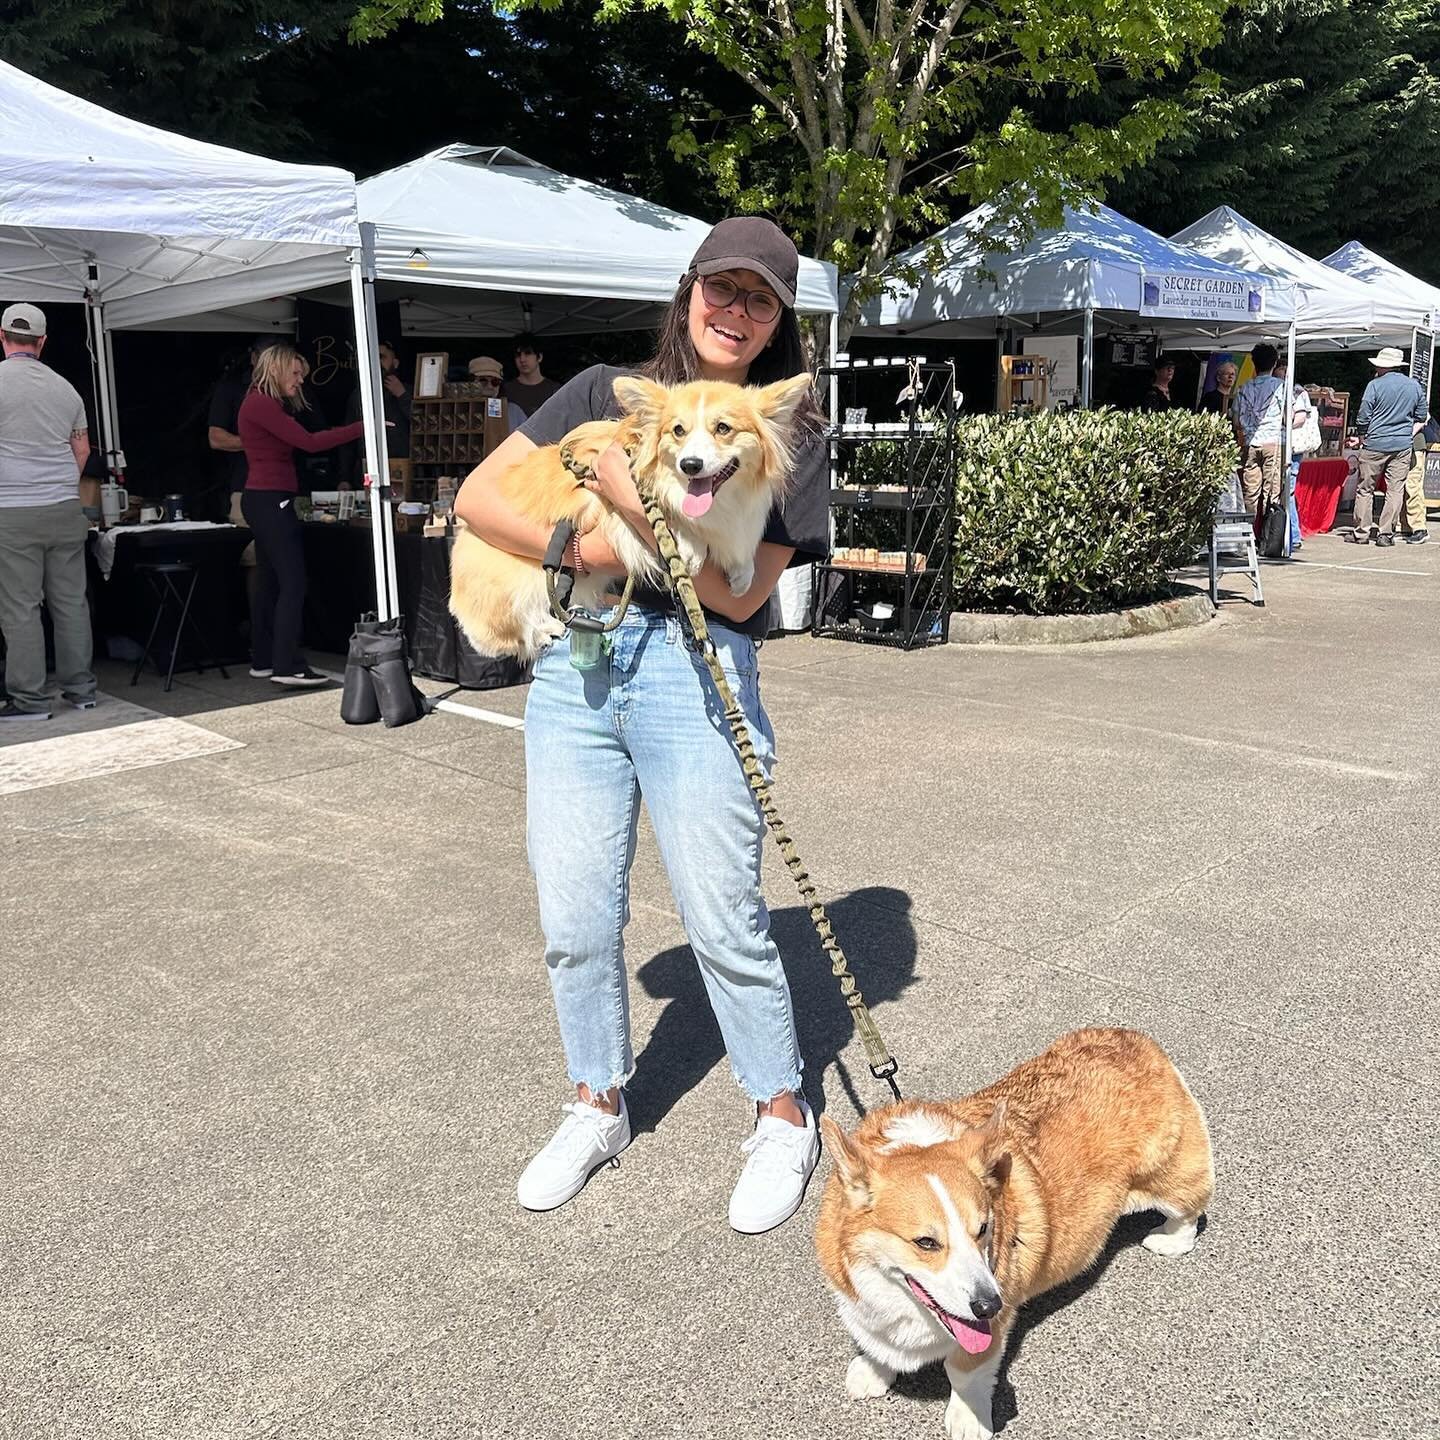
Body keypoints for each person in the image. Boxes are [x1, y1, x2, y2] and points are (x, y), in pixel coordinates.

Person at [456, 217, 829, 1234]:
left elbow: (742, 600)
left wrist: (627, 499)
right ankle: (596, 1101)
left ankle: (785, 1113)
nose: (738, 312)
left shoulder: (789, 429)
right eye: (724, 289)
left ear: (779, 322)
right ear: (690, 291)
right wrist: (582, 553)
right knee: (573, 914)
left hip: (695, 671)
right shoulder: (602, 396)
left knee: (721, 914)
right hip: (579, 663)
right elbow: (481, 499)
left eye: (762, 300)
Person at [238, 344, 366, 686]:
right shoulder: (262, 403)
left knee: (271, 583)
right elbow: (309, 442)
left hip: (264, 498)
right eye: (295, 374)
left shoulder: (260, 402)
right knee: (292, 582)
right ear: (278, 370)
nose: (299, 381)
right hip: (270, 499)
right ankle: (287, 665)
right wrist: (360, 427)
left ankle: (265, 658)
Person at [0, 303, 97, 721]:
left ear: (1, 336)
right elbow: (83, 450)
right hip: (64, 506)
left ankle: (31, 700)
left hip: (12, 508)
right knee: (71, 602)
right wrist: (60, 486)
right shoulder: (66, 389)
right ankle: (82, 690)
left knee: (21, 607)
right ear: (41, 341)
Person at [1349, 346, 1427, 546]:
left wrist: (1361, 434)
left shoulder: (1374, 385)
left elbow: (1364, 413)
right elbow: (1421, 415)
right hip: (1402, 445)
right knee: (1395, 489)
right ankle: (1386, 533)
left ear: (1382, 366)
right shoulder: (1414, 386)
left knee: (1365, 489)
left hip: (1375, 443)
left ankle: (1362, 532)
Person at [209, 336, 271, 525]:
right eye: (266, 357)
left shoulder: (295, 389)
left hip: (292, 488)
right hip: (246, 486)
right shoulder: (232, 388)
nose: (272, 365)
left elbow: (315, 432)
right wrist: (261, 442)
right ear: (253, 358)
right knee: (251, 550)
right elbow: (216, 438)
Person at [345, 339, 411, 485]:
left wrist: (403, 395)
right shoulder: (358, 395)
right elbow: (348, 439)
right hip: (367, 468)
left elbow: (424, 425)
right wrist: (344, 478)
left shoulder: (409, 391)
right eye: (373, 358)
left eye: (381, 357)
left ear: (395, 363)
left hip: (403, 469)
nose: (377, 362)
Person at [1233, 342, 1286, 518]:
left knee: (1250, 492)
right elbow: (1288, 417)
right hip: (1273, 443)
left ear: (1254, 363)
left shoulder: (1243, 388)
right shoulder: (1280, 387)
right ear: (1274, 364)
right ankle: (1268, 536)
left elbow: (1236, 420)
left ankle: (1249, 534)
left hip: (1250, 443)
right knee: (1272, 492)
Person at [1274, 356, 1315, 554]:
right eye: (1280, 368)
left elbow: (1299, 419)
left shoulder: (1298, 391)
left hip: (1291, 447)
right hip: (1277, 445)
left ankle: (1294, 535)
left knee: (1287, 491)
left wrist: (1280, 421)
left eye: (1284, 368)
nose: (1282, 372)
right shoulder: (1277, 388)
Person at [503, 334, 562, 414]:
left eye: (528, 353)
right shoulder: (506, 390)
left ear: (539, 357)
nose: (522, 359)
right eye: (518, 355)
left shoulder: (554, 389)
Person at [467, 355, 525, 434]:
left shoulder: (514, 411)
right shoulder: (459, 410)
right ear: (470, 382)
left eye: (495, 382)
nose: (490, 386)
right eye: (483, 380)